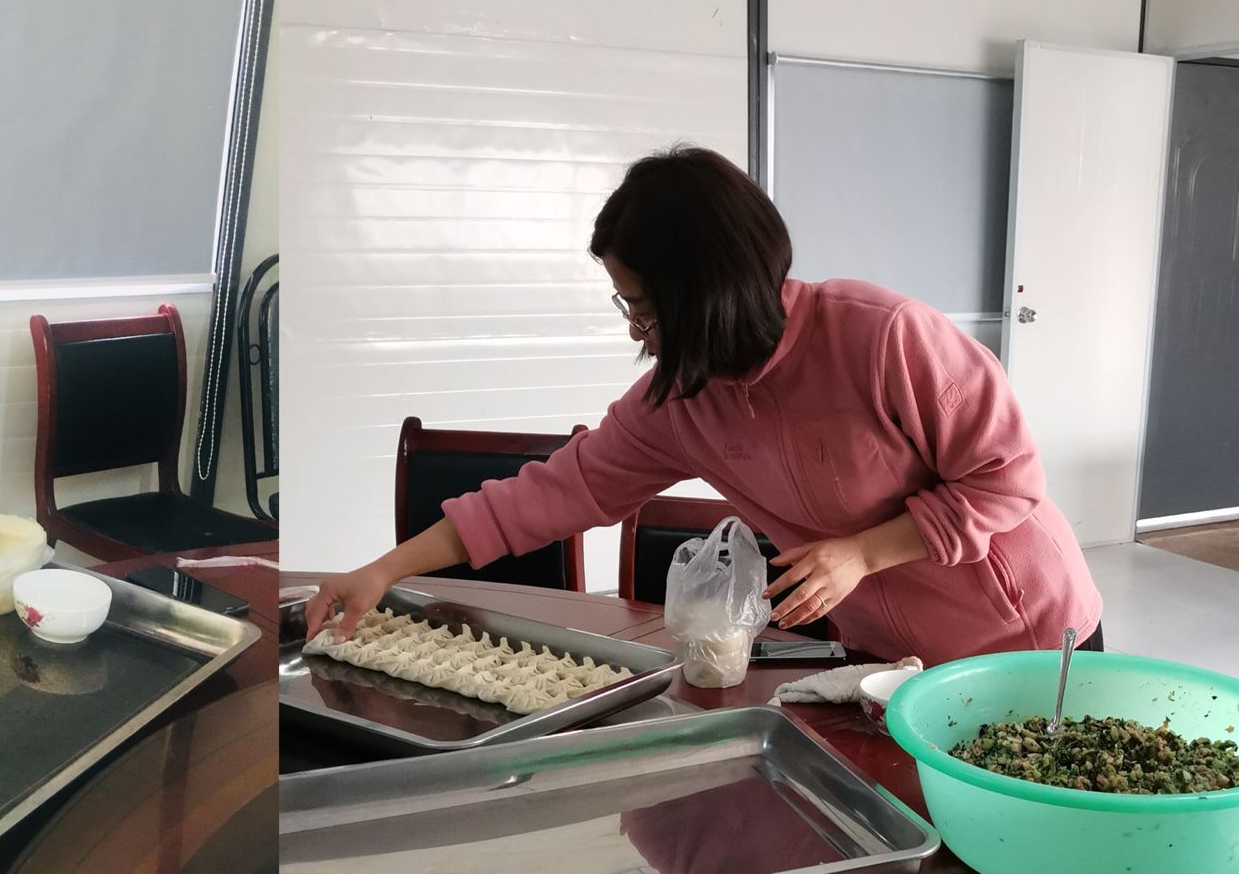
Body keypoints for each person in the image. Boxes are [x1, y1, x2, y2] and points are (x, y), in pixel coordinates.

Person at [305, 146, 1103, 669]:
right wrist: (383, 570)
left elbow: (1007, 481)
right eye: (627, 307)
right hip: (892, 661)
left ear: (708, 294)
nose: (637, 333)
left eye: (645, 309)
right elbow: (546, 495)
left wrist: (862, 553)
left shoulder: (883, 337)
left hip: (1030, 641)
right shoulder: (681, 402)